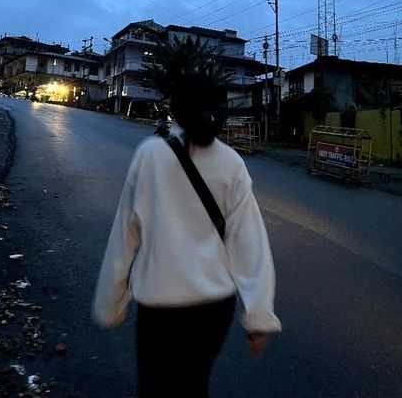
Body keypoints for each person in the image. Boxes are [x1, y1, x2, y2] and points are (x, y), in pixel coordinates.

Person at [93, 73, 281, 397]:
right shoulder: (232, 163)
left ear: (176, 109)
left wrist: (111, 304)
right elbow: (251, 244)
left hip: (159, 310)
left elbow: (125, 236)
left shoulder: (150, 155)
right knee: (195, 384)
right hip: (213, 311)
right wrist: (258, 316)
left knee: (155, 386)